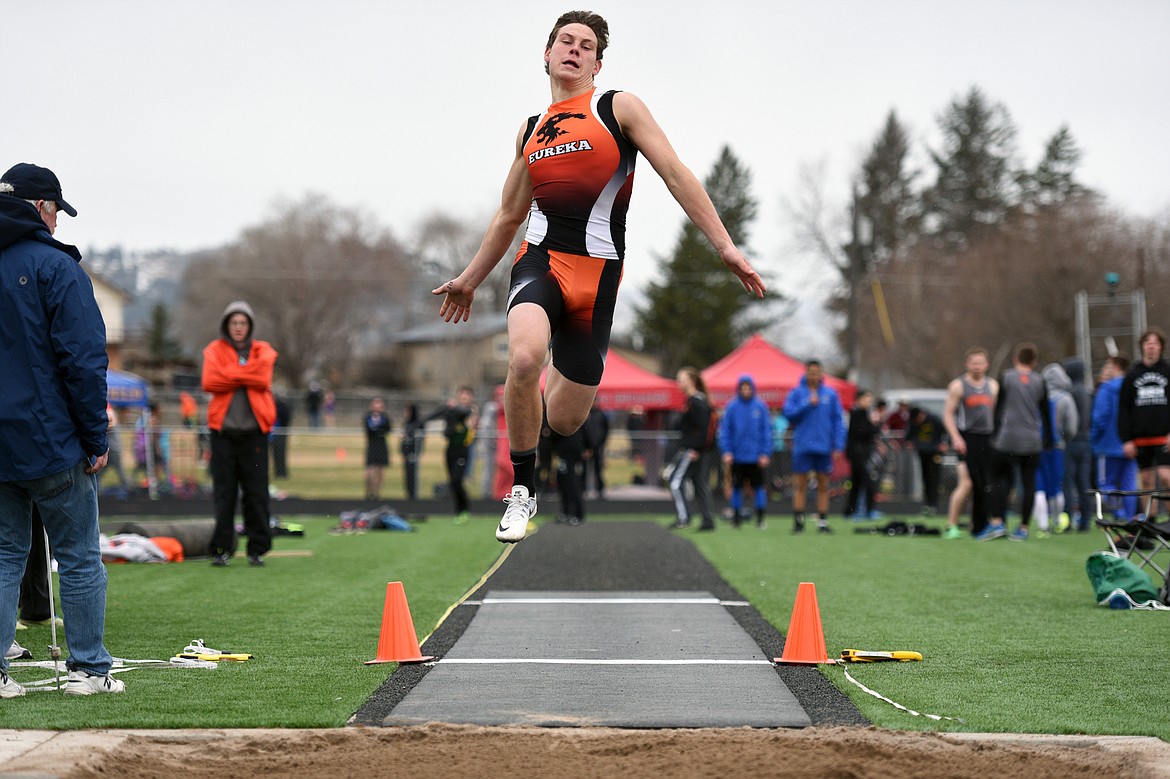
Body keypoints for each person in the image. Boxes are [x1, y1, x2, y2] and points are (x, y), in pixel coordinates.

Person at [431, 11, 765, 543]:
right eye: (565, 41)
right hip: (540, 260)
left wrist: (724, 245)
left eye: (586, 45)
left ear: (597, 63)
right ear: (546, 53)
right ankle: (521, 491)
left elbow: (675, 171)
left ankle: (562, 360)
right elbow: (509, 215)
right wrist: (470, 278)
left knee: (564, 420)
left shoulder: (617, 108)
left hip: (598, 277)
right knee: (521, 359)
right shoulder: (529, 129)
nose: (574, 49)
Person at [0, 161, 124, 696]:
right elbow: (83, 360)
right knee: (77, 555)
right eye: (54, 210)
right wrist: (96, 439)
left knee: (4, 555)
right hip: (52, 441)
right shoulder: (57, 267)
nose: (57, 222)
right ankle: (89, 670)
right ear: (39, 208)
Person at [202, 300, 278, 567]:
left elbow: (263, 379)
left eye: (243, 323)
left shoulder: (263, 350)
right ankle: (222, 548)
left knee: (256, 493)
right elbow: (210, 381)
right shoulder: (214, 349)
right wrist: (246, 373)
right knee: (224, 493)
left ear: (250, 326)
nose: (238, 327)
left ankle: (257, 548)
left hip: (254, 435)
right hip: (223, 435)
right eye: (234, 323)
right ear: (227, 325)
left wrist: (230, 374)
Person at [976, 343, 1053, 541]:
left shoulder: (1007, 377)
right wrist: (1049, 439)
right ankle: (1024, 528)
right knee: (1029, 483)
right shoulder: (1039, 381)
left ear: (1015, 359)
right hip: (1031, 441)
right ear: (1034, 362)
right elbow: (1045, 413)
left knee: (997, 479)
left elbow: (999, 409)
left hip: (1007, 439)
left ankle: (998, 522)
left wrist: (994, 434)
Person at [942, 347, 999, 539]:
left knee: (984, 484)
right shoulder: (958, 386)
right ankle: (952, 525)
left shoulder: (992, 386)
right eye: (973, 363)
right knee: (967, 484)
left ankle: (981, 524)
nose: (977, 367)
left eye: (980, 363)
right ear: (967, 365)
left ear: (986, 365)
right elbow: (948, 414)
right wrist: (956, 437)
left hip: (987, 438)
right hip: (967, 439)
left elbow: (996, 414)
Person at [783, 360, 845, 534]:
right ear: (806, 373)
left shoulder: (831, 395)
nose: (813, 375)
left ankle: (822, 521)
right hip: (803, 446)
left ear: (821, 374)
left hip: (824, 447)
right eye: (810, 372)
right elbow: (788, 414)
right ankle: (798, 521)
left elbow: (837, 421)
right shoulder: (796, 393)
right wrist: (807, 403)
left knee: (823, 485)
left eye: (816, 372)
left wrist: (838, 445)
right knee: (800, 485)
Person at [1117, 328, 1170, 520]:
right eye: (1148, 343)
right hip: (1141, 438)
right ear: (1142, 347)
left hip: (1164, 437)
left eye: (1155, 344)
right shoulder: (1132, 375)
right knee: (1146, 480)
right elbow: (1124, 409)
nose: (1151, 347)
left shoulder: (1167, 371)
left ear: (1161, 347)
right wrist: (1126, 439)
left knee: (1166, 477)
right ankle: (1151, 521)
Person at [668, 367, 718, 532]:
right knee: (699, 483)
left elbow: (704, 429)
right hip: (698, 449)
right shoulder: (696, 401)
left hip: (694, 450)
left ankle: (684, 518)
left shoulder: (696, 402)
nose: (678, 382)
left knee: (675, 482)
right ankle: (708, 520)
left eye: (681, 379)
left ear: (691, 381)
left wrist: (697, 448)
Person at [720, 375, 773, 529]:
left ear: (752, 388)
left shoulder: (760, 407)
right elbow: (725, 431)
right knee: (736, 487)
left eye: (748, 387)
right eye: (743, 387)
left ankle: (760, 518)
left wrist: (765, 452)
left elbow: (766, 431)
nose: (745, 391)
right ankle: (736, 518)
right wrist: (727, 451)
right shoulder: (732, 407)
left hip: (756, 457)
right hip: (737, 456)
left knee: (759, 487)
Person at [421, 387, 478, 524]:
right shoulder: (452, 412)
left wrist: (453, 410)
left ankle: (465, 508)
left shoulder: (470, 411)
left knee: (458, 480)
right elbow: (446, 429)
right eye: (462, 397)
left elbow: (469, 421)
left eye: (467, 397)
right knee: (453, 482)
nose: (464, 400)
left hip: (464, 450)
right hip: (450, 449)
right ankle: (459, 511)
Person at [1092, 355, 1139, 522]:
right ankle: (1130, 517)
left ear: (1116, 366)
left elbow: (1100, 418)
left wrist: (1094, 439)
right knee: (1129, 485)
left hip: (1108, 444)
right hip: (1130, 444)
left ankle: (1119, 514)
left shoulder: (1106, 389)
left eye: (1108, 365)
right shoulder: (1133, 387)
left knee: (1106, 483)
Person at [1033, 363, 1079, 533]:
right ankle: (1057, 520)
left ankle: (1042, 525)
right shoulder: (1065, 398)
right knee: (1056, 485)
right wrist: (1063, 437)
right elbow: (1072, 427)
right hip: (1057, 446)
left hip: (1036, 446)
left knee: (1039, 486)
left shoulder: (1036, 396)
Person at [1061, 357, 1094, 531]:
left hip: (1072, 441)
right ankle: (1086, 521)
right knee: (1083, 481)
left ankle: (1068, 519)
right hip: (1086, 441)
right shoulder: (1087, 392)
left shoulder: (1070, 392)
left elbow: (1069, 420)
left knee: (1068, 482)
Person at [844, 390, 881, 520]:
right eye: (867, 399)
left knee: (857, 482)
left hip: (863, 453)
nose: (869, 402)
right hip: (857, 453)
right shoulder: (856, 414)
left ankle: (851, 511)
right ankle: (868, 510)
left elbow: (872, 433)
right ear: (859, 399)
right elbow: (861, 432)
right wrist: (874, 425)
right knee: (867, 481)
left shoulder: (865, 414)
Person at [907, 406, 946, 515]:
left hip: (935, 452)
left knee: (934, 478)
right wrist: (910, 442)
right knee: (925, 478)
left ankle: (933, 505)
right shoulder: (914, 423)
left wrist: (944, 444)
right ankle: (927, 504)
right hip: (923, 452)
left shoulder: (934, 419)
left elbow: (945, 431)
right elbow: (909, 435)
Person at [364, 398, 392, 500]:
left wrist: (378, 430)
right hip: (372, 446)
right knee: (369, 471)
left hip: (381, 445)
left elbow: (388, 429)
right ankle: (368, 493)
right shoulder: (368, 417)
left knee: (380, 471)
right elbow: (368, 430)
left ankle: (377, 493)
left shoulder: (385, 418)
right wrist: (378, 430)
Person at [582, 401, 610, 499]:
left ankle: (600, 490)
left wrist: (601, 443)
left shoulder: (600, 415)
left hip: (597, 447)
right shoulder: (585, 414)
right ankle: (583, 489)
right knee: (584, 470)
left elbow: (605, 430)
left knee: (598, 470)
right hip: (586, 448)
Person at [400, 404, 424, 501]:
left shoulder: (418, 423)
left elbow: (420, 439)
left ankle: (414, 496)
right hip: (406, 453)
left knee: (414, 475)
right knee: (407, 476)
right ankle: (409, 495)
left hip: (414, 452)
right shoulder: (406, 423)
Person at [270, 393, 292, 479]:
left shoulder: (281, 407)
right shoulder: (272, 407)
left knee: (281, 454)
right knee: (275, 454)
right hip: (272, 433)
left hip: (280, 433)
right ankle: (278, 472)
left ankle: (282, 473)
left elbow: (285, 419)